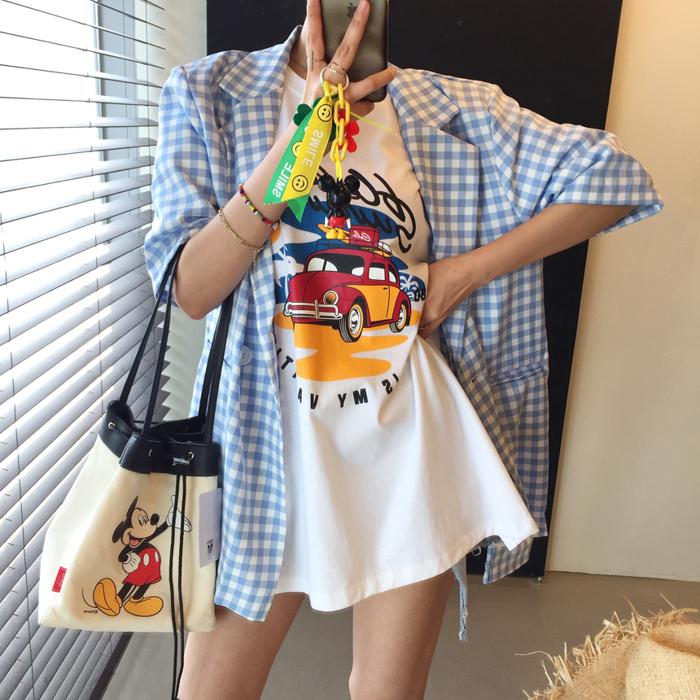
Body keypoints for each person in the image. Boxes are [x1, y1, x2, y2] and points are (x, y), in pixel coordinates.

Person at [143, 1, 664, 698]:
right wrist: (302, 142)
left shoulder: (454, 108)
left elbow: (615, 178)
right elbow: (189, 288)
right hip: (266, 452)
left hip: (411, 451)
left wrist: (461, 275)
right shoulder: (209, 92)